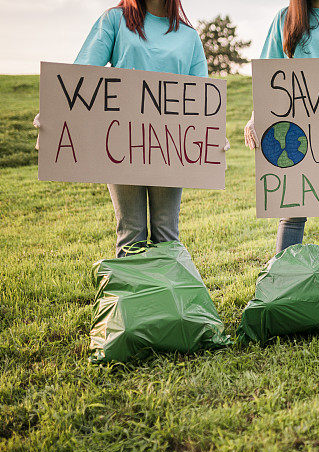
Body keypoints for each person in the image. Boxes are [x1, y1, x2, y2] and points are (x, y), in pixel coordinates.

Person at [34, 0, 214, 258]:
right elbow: (84, 72)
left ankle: (164, 297)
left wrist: (212, 134)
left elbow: (201, 97)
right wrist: (55, 113)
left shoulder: (189, 36)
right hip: (121, 143)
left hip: (169, 147)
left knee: (166, 234)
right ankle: (133, 298)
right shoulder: (115, 20)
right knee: (131, 233)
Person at [244, 0, 319, 256]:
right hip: (292, 129)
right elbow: (268, 73)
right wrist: (255, 116)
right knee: (292, 211)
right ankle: (283, 279)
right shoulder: (284, 18)